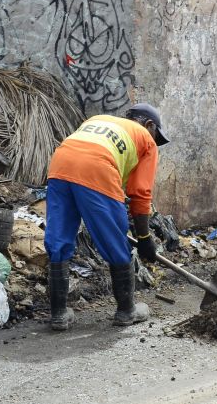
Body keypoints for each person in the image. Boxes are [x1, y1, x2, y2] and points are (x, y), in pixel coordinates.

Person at [44, 103, 170, 331]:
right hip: (97, 167)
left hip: (60, 164)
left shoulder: (98, 120)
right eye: (156, 135)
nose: (155, 141)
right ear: (149, 125)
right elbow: (141, 194)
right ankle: (126, 311)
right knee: (114, 240)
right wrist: (144, 237)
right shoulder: (146, 139)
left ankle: (59, 314)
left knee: (58, 239)